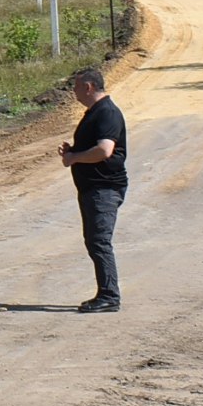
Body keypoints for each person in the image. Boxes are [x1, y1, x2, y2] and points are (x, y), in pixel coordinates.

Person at [56, 66, 127, 313]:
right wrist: (73, 151)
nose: (74, 92)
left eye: (76, 87)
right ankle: (106, 294)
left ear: (88, 87)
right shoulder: (95, 112)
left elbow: (104, 151)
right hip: (94, 188)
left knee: (99, 241)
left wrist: (74, 158)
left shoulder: (106, 112)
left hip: (103, 188)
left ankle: (109, 296)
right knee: (95, 241)